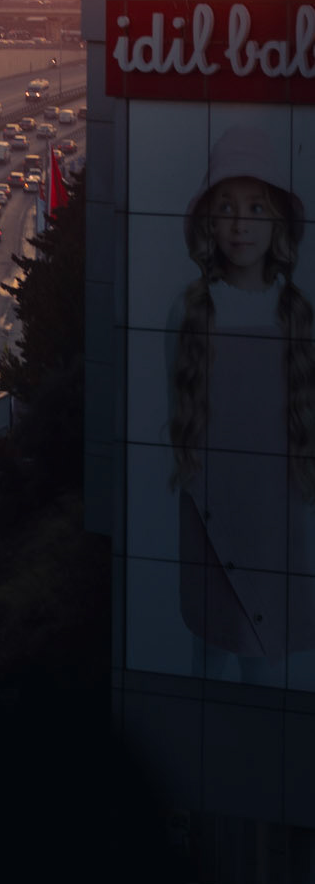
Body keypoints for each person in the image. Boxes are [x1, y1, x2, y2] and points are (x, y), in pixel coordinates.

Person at [166, 125, 315, 681]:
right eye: (226, 206)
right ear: (209, 220)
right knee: (211, 649)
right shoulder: (191, 310)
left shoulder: (294, 313)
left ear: (275, 220)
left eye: (255, 206)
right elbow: (177, 402)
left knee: (265, 659)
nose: (239, 222)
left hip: (274, 510)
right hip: (210, 508)